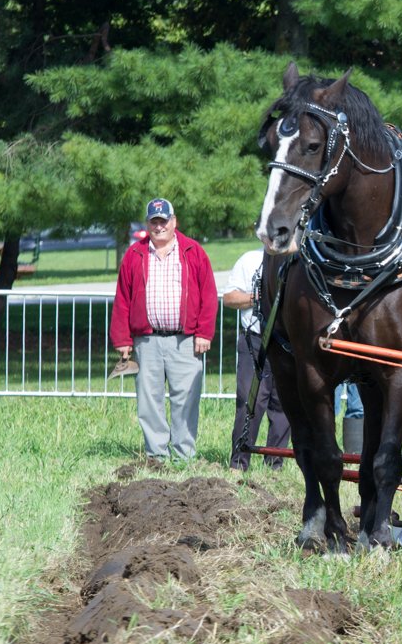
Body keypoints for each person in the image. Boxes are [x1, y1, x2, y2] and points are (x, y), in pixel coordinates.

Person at [111, 198, 217, 462]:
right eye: (154, 221)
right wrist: (122, 339)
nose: (159, 227)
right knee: (149, 400)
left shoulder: (193, 251)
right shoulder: (134, 254)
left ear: (174, 221)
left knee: (186, 399)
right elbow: (122, 298)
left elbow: (209, 295)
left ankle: (184, 456)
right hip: (146, 341)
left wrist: (204, 332)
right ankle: (156, 455)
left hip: (185, 340)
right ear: (148, 223)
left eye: (163, 221)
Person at [224, 247, 291, 470]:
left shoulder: (298, 261)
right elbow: (230, 298)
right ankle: (239, 462)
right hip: (254, 339)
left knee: (283, 404)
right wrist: (258, 296)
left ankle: (275, 464)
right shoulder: (249, 259)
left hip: (287, 343)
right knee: (249, 400)